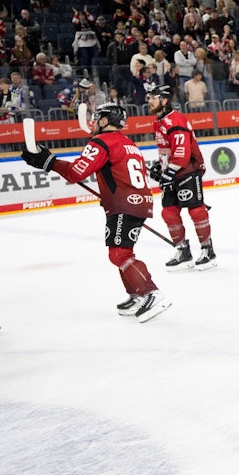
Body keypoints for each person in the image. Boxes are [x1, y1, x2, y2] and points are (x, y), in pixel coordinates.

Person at [21, 103, 171, 321]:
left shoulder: (100, 141)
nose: (93, 122)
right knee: (122, 251)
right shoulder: (127, 142)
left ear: (104, 121)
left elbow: (75, 172)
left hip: (124, 204)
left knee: (119, 253)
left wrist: (49, 162)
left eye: (97, 118)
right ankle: (137, 295)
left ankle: (150, 293)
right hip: (139, 201)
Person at [146, 85, 217, 270]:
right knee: (168, 212)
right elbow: (168, 150)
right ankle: (183, 250)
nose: (149, 101)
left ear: (164, 100)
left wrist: (168, 172)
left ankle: (208, 251)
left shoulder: (175, 120)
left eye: (153, 97)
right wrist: (160, 166)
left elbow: (181, 152)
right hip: (172, 171)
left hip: (187, 170)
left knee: (196, 211)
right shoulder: (160, 122)